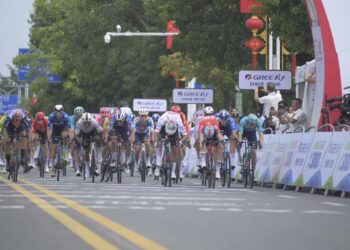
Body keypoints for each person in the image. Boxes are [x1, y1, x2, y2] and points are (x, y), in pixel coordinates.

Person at [154, 107, 188, 180]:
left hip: (174, 130)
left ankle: (173, 172)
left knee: (174, 148)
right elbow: (156, 132)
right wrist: (157, 140)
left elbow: (185, 134)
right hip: (163, 128)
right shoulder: (163, 118)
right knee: (158, 143)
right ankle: (158, 162)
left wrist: (180, 141)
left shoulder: (178, 119)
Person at [74, 112, 104, 178]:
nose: (87, 124)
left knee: (97, 138)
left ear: (91, 121)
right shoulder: (79, 123)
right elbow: (76, 136)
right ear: (82, 121)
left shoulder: (94, 122)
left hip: (93, 131)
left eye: (88, 122)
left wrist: (102, 141)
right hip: (84, 133)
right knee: (86, 151)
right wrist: (81, 142)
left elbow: (101, 131)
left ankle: (98, 153)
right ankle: (87, 168)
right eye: (85, 123)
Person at [198, 106, 224, 179]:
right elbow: (218, 132)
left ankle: (203, 161)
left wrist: (200, 143)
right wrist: (222, 141)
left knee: (202, 142)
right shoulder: (215, 119)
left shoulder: (202, 119)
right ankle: (217, 171)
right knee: (220, 147)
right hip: (213, 133)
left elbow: (201, 134)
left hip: (207, 133)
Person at [3, 109, 31, 173]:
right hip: (10, 128)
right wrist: (6, 137)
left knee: (23, 137)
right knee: (7, 142)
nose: (16, 122)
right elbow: (5, 129)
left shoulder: (23, 118)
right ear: (12, 119)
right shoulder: (9, 119)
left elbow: (28, 129)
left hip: (20, 128)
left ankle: (23, 157)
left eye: (18, 120)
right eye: (15, 120)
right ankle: (8, 162)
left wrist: (28, 138)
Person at [48, 104, 71, 177]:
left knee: (65, 138)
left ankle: (65, 152)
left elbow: (68, 129)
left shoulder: (66, 117)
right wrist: (49, 137)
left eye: (60, 113)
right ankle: (52, 164)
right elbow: (49, 129)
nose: (58, 114)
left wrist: (66, 136)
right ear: (54, 112)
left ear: (62, 112)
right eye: (57, 113)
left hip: (63, 129)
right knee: (53, 147)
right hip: (55, 129)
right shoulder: (51, 116)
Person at [132, 108, 154, 176]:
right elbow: (133, 131)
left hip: (145, 133)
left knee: (147, 143)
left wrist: (152, 140)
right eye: (142, 116)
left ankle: (148, 161)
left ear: (147, 116)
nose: (143, 118)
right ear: (139, 116)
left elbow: (152, 131)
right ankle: (136, 163)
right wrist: (132, 140)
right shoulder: (136, 120)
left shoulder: (150, 120)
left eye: (145, 116)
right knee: (137, 149)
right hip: (137, 134)